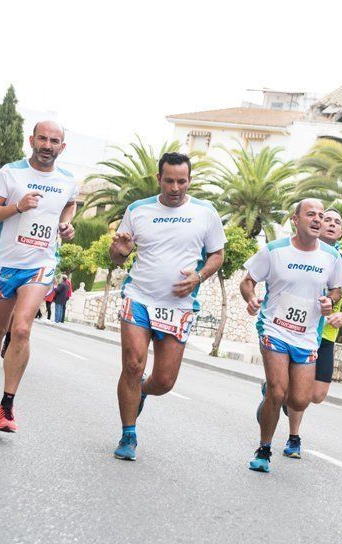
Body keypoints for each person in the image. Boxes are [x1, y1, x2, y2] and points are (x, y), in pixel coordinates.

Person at [110, 152, 225, 461]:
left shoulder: (205, 212)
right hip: (139, 297)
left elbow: (217, 255)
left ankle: (142, 394)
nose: (175, 187)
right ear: (159, 179)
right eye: (170, 181)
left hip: (179, 306)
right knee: (133, 365)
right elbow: (118, 255)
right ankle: (128, 434)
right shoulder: (138, 210)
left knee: (163, 381)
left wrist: (199, 276)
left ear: (190, 180)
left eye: (182, 181)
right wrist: (118, 251)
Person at [0, 121, 77, 433]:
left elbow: (70, 205)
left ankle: (8, 404)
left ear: (62, 147)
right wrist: (17, 207)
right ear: (32, 140)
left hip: (40, 265)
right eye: (42, 138)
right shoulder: (11, 172)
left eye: (54, 140)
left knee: (23, 329)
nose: (47, 144)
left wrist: (67, 225)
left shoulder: (67, 180)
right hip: (5, 263)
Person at [240, 199, 342, 473]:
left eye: (321, 215)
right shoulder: (274, 251)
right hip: (274, 328)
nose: (318, 219)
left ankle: (270, 398)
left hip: (307, 336)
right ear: (295, 220)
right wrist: (251, 298)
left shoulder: (331, 257)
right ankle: (264, 449)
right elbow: (247, 280)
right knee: (279, 390)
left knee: (299, 400)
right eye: (311, 214)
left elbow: (336, 290)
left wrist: (329, 302)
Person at [282, 208, 342, 458]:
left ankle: (280, 393)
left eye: (336, 222)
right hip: (296, 332)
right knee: (298, 393)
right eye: (326, 219)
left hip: (326, 336)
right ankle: (293, 438)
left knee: (315, 395)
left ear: (341, 231)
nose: (330, 224)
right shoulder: (299, 251)